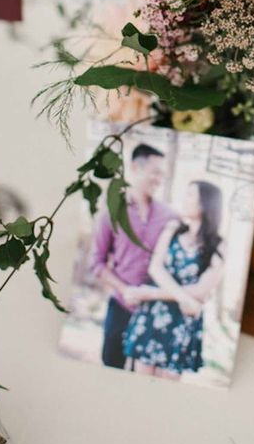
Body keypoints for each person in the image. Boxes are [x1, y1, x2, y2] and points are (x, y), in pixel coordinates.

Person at [122, 180, 225, 379]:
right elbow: (156, 268)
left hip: (181, 322)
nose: (185, 200)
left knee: (167, 386)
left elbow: (200, 290)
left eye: (190, 195)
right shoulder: (173, 230)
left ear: (205, 203)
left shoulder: (218, 246)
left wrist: (150, 293)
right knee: (139, 380)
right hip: (154, 314)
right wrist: (184, 298)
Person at [91, 142, 176, 369]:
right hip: (121, 305)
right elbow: (96, 263)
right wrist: (124, 289)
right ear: (136, 168)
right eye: (155, 172)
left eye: (162, 175)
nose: (159, 179)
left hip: (156, 310)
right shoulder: (111, 211)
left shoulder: (169, 216)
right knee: (111, 364)